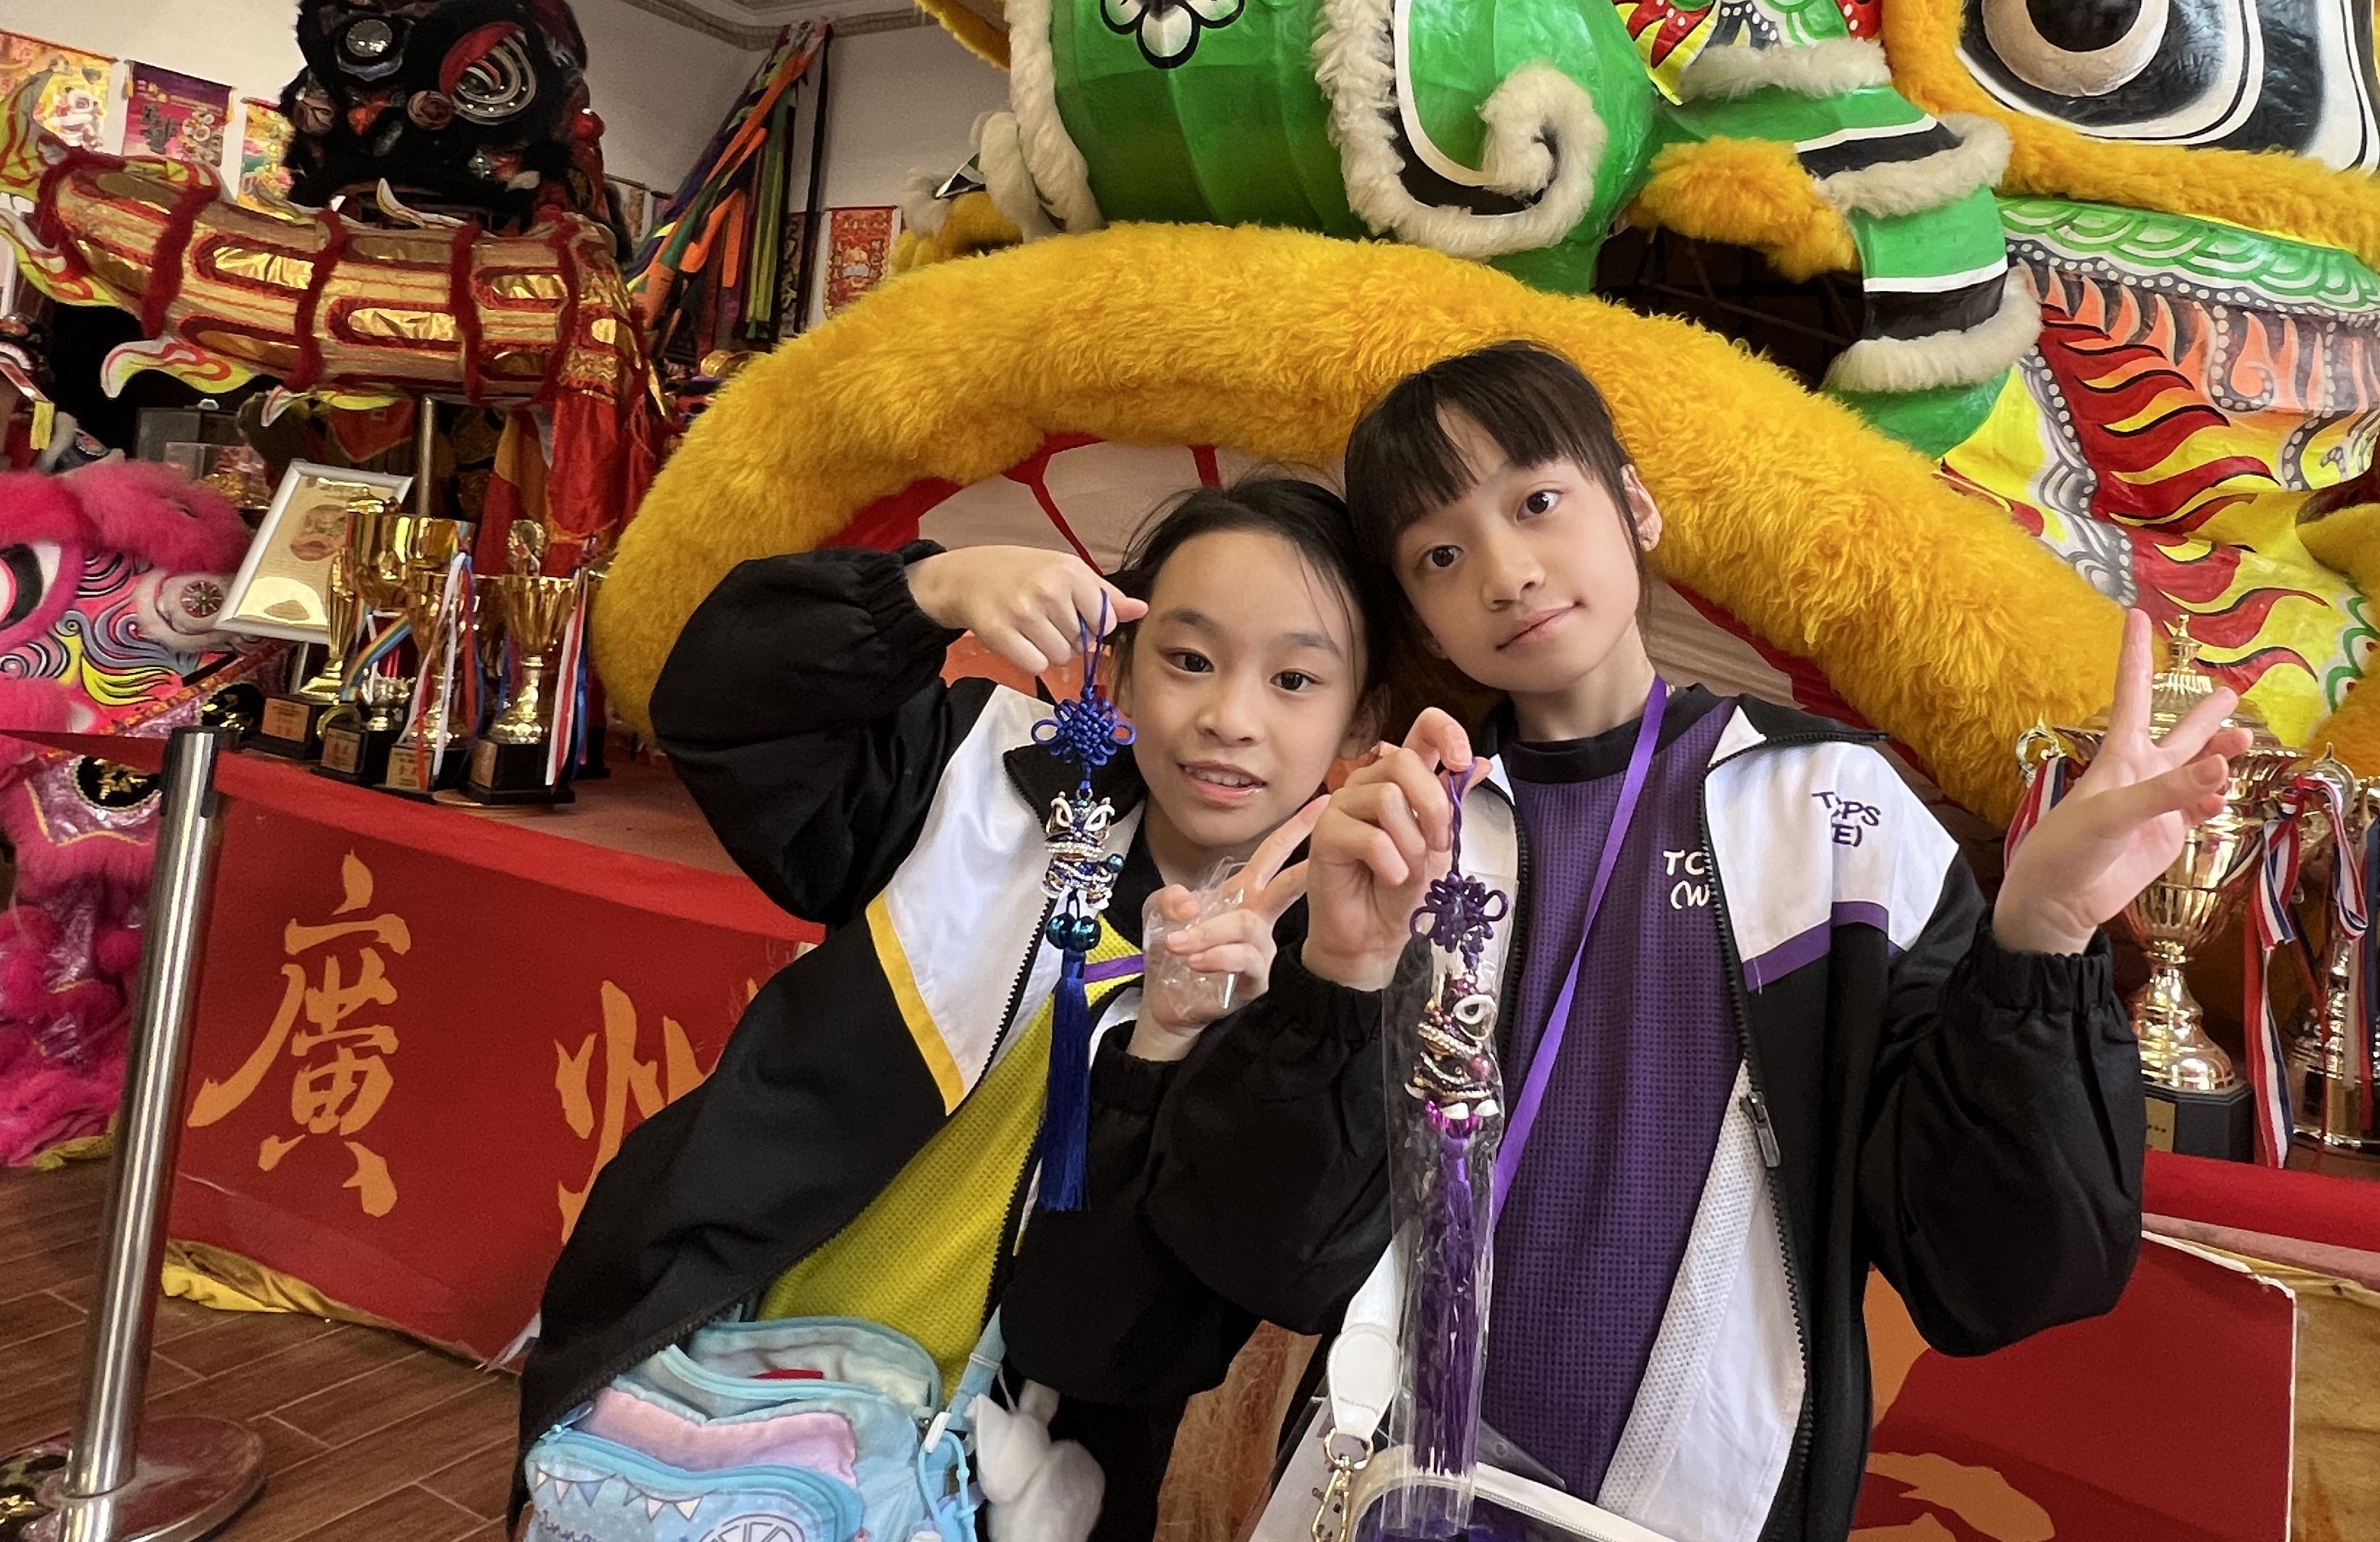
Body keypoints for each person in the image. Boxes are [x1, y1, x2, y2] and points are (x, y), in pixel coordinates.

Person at [1139, 343, 2241, 1542]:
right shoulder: (1402, 836)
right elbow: (1276, 1261)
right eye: (1440, 556)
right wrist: (1341, 977)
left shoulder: (1833, 811)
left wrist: (2042, 940)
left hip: (1705, 1511)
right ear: (1423, 622)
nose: (1506, 572)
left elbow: (1999, 1274)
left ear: (1637, 507)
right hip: (1400, 1494)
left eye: (1537, 502)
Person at [515, 473, 1392, 1542]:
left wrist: (1182, 1040)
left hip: (1002, 1485)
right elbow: (718, 707)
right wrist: (922, 594)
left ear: (1363, 716)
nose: (1229, 719)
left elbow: (1223, 1301)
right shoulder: (979, 772)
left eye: (1295, 679)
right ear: (1119, 661)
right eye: (1189, 658)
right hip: (711, 1381)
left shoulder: (1322, 982)